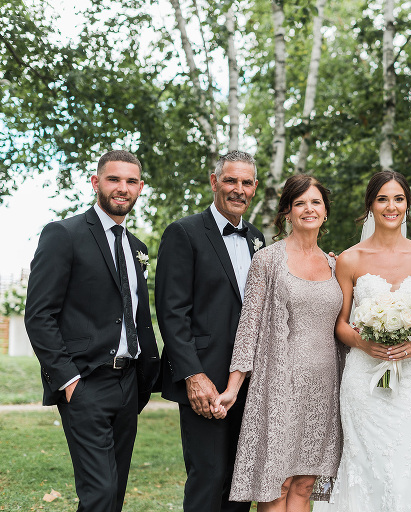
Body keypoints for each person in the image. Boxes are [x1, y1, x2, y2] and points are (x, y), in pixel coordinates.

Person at [24, 149, 161, 512]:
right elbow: (39, 315)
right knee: (99, 494)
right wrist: (68, 381)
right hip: (85, 383)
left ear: (141, 188)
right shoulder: (63, 235)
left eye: (131, 181)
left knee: (114, 495)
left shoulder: (137, 248)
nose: (122, 188)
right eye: (114, 179)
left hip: (129, 384)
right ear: (95, 182)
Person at [313, 171, 411, 512]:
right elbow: (340, 325)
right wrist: (363, 344)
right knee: (363, 460)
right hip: (362, 379)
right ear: (370, 205)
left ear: (407, 205)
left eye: (398, 199)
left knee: (404, 464)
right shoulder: (350, 259)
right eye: (383, 199)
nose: (391, 206)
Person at [212, 174, 343, 511]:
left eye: (316, 202)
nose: (308, 209)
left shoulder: (336, 264)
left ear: (326, 211)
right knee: (277, 483)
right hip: (279, 384)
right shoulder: (268, 260)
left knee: (304, 482)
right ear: (288, 211)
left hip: (326, 385)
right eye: (300, 203)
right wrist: (232, 387)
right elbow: (249, 327)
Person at [155, 150, 265, 512]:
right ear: (214, 181)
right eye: (230, 180)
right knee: (208, 475)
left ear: (255, 188)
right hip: (204, 379)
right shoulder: (183, 233)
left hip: (250, 378)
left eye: (246, 182)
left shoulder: (257, 238)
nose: (238, 189)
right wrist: (192, 374)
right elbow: (171, 312)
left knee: (240, 480)